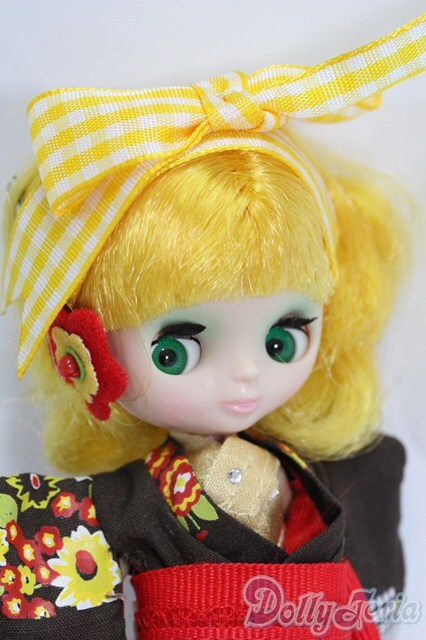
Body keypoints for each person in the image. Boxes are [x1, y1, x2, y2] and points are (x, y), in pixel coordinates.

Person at [0, 15, 424, 639]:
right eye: (175, 351)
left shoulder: (335, 474)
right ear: (83, 351)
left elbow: (376, 585)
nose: (247, 373)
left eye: (282, 340)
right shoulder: (123, 505)